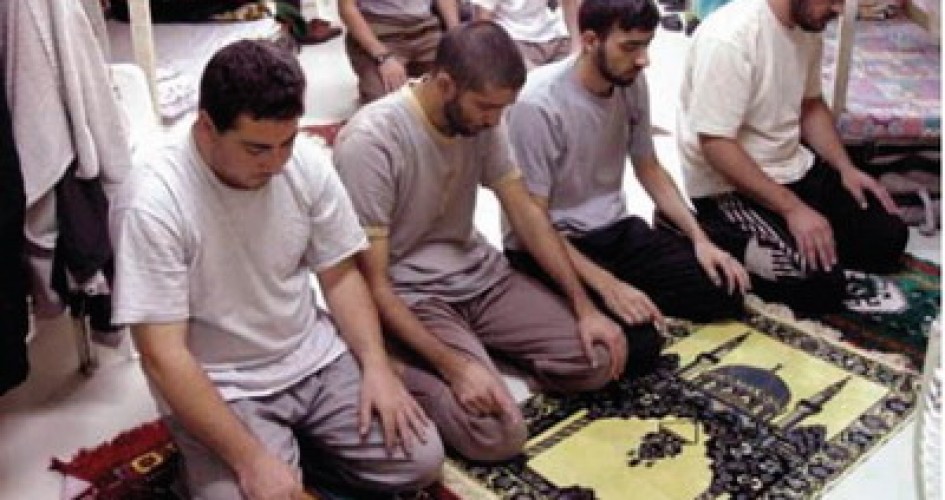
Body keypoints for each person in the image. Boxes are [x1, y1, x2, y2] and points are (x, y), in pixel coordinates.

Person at [109, 40, 443, 500]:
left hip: (312, 358)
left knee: (421, 461)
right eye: (257, 149)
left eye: (287, 142)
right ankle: (239, 462)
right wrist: (250, 459)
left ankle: (297, 455)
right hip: (223, 385)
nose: (276, 161)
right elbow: (162, 356)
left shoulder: (303, 162)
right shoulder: (152, 201)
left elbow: (340, 276)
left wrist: (376, 365)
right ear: (206, 127)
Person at [333, 21, 630, 462]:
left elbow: (526, 213)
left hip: (478, 275)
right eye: (486, 108)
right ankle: (400, 364)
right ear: (445, 84)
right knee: (496, 434)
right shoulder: (371, 141)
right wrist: (455, 369)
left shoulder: (483, 121)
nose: (494, 119)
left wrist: (584, 307)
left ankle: (478, 347)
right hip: (413, 295)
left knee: (600, 358)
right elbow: (374, 283)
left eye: (501, 109)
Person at [504, 0, 749, 329]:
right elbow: (533, 222)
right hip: (553, 241)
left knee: (723, 292)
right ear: (590, 41)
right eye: (630, 47)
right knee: (632, 342)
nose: (643, 59)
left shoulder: (629, 82)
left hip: (612, 229)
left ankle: (641, 276)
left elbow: (649, 167)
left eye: (646, 45)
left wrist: (699, 239)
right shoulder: (537, 104)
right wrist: (607, 285)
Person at [676, 0, 908, 312]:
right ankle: (697, 229)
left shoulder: (808, 25)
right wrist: (793, 209)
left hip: (792, 166)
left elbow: (810, 105)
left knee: (888, 239)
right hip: (730, 186)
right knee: (818, 285)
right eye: (833, 0)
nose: (839, 10)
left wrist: (845, 168)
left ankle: (800, 238)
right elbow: (716, 145)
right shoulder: (729, 39)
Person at [339, 0, 460, 103]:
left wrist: (457, 35)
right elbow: (347, 8)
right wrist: (383, 57)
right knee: (386, 104)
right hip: (377, 32)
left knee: (456, 91)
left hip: (425, 26)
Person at [472, 0, 582, 70]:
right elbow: (483, 25)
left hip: (554, 34)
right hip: (513, 39)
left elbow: (569, 4)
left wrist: (576, 48)